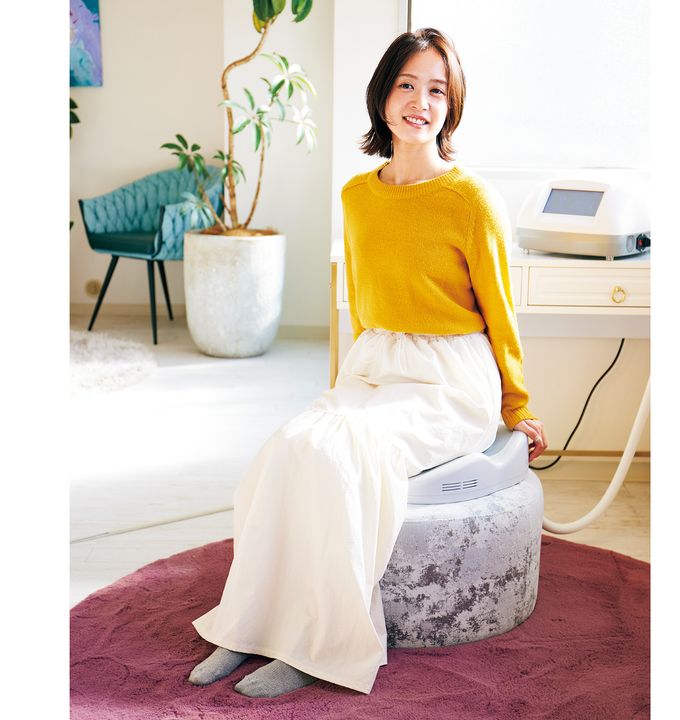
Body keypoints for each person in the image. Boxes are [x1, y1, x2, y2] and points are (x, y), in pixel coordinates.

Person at [187, 27, 547, 699]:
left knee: (341, 457)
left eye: (436, 90)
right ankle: (249, 626)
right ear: (383, 94)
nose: (420, 102)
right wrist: (344, 394)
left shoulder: (470, 200)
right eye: (407, 84)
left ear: (452, 105)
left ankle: (317, 646)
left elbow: (501, 312)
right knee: (289, 447)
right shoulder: (357, 196)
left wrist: (517, 408)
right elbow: (364, 307)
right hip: (376, 365)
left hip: (450, 379)